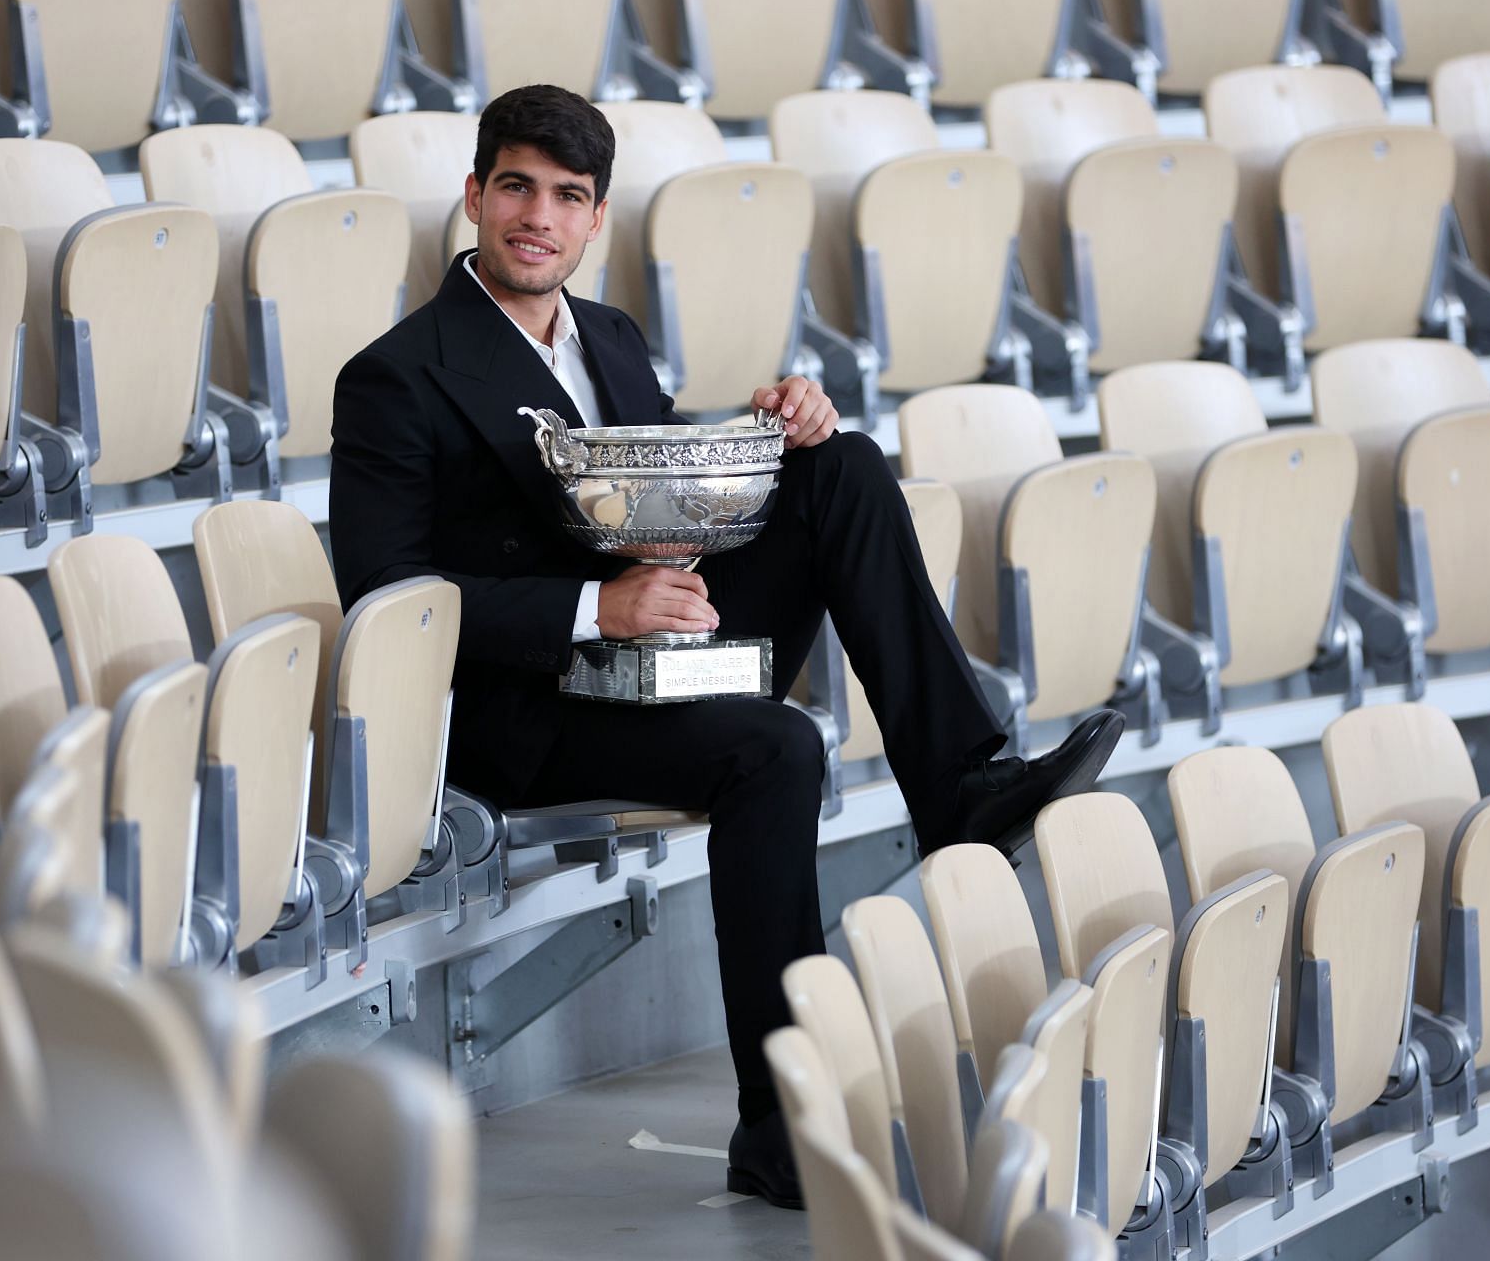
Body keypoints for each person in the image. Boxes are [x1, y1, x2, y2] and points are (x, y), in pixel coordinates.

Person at [329, 85, 1121, 1209]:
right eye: (515, 186)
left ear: (596, 218)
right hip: (528, 708)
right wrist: (594, 613)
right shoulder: (396, 375)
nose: (537, 216)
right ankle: (780, 1122)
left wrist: (769, 432)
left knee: (837, 463)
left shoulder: (611, 337)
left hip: (651, 654)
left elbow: (663, 517)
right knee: (776, 747)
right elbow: (386, 599)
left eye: (568, 195)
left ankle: (960, 784)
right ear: (473, 195)